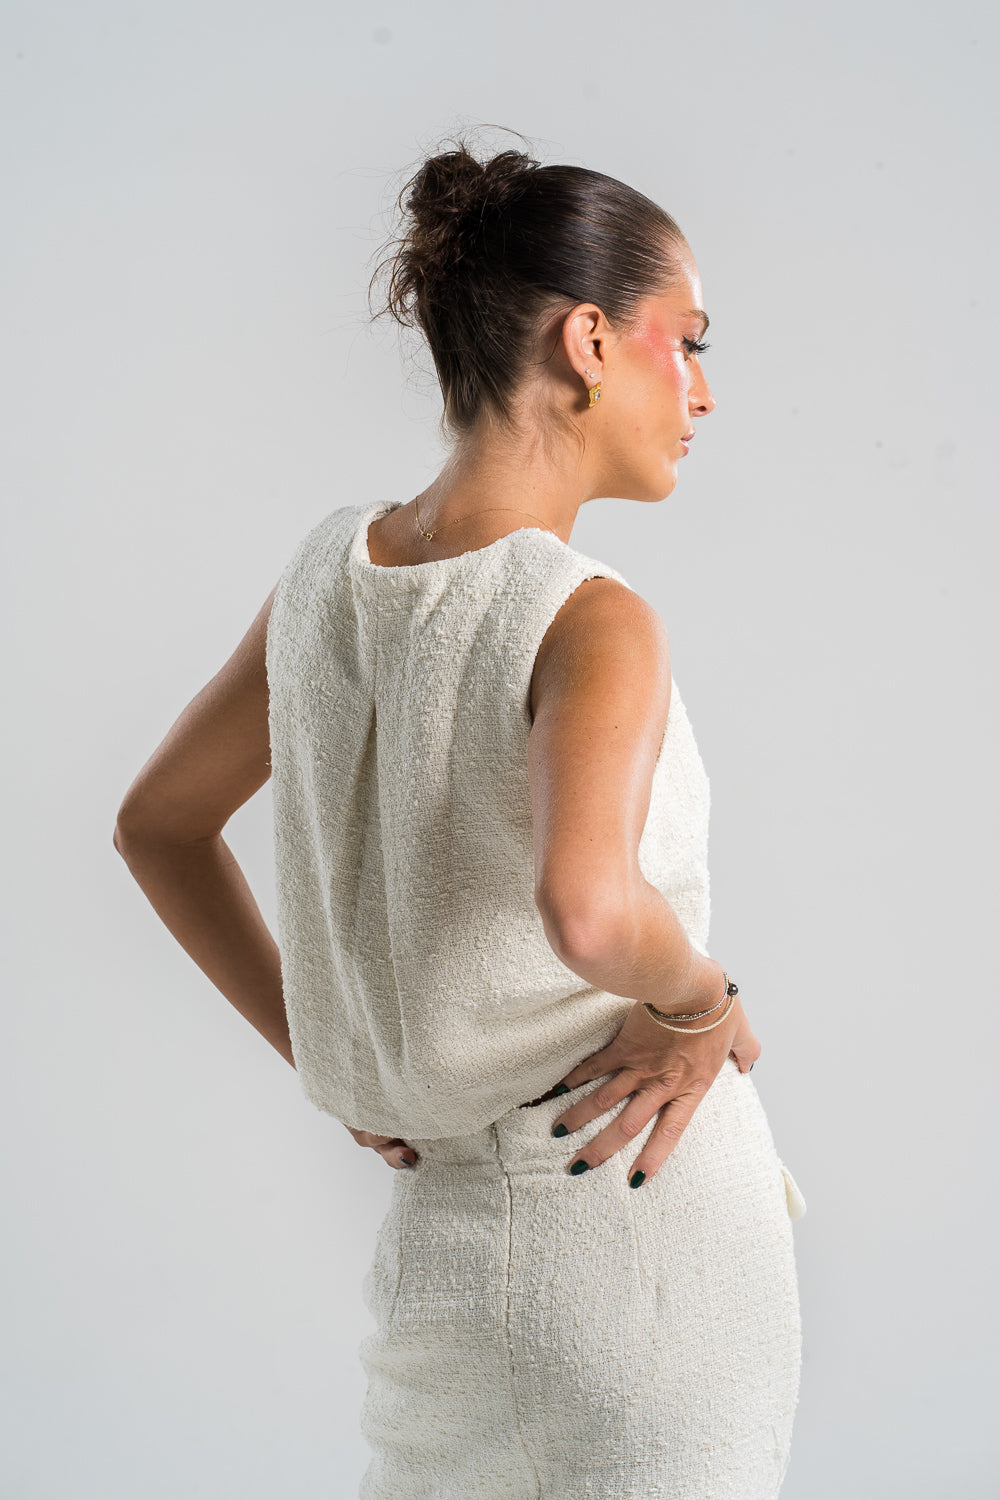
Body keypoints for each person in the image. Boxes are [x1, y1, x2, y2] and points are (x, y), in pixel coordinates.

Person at [114, 128, 807, 1499]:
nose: (707, 395)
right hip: (640, 1233)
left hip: (439, 1254)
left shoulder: (328, 578)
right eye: (693, 343)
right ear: (593, 342)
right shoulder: (587, 616)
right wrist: (702, 1002)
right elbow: (592, 907)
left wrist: (333, 1052)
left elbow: (157, 825)